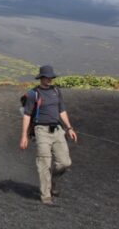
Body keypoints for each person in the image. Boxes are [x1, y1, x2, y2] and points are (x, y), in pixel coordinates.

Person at [19, 65, 77, 205]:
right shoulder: (34, 93)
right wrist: (24, 136)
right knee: (44, 163)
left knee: (65, 162)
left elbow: (62, 110)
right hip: (41, 131)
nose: (49, 79)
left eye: (51, 77)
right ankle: (46, 196)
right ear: (41, 77)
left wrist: (69, 128)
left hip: (57, 130)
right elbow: (27, 115)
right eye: (47, 77)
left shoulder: (56, 91)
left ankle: (52, 181)